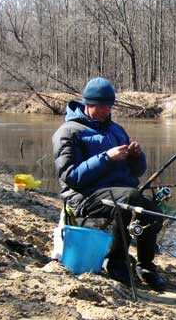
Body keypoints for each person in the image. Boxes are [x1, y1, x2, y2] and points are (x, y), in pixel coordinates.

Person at [52, 77, 166, 289]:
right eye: (102, 106)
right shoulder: (68, 132)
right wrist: (106, 157)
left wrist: (136, 156)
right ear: (88, 104)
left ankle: (146, 266)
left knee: (153, 212)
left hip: (120, 192)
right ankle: (117, 262)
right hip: (83, 197)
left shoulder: (116, 130)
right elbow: (71, 176)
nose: (107, 110)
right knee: (127, 201)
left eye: (109, 106)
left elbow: (138, 171)